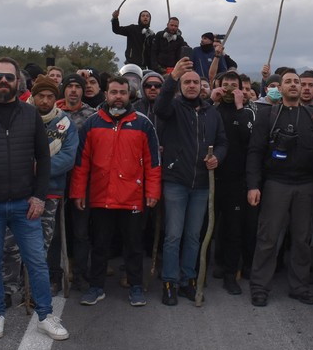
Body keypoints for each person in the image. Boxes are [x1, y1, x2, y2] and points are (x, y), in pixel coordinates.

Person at [0, 57, 68, 341]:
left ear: (18, 82)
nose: (3, 82)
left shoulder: (30, 115)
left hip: (24, 204)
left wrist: (39, 197)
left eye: (9, 77)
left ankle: (45, 315)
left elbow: (43, 159)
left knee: (37, 262)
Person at [71, 76, 160, 307]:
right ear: (106, 94)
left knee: (134, 245)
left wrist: (153, 191)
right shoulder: (92, 123)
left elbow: (153, 162)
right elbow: (82, 163)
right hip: (101, 197)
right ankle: (96, 287)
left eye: (122, 92)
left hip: (132, 197)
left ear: (129, 94)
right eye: (113, 92)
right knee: (100, 245)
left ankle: (136, 286)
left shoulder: (143, 123)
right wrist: (79, 192)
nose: (118, 97)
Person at [247, 70, 313, 307]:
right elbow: (254, 152)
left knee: (302, 239)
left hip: (307, 186)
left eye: (297, 82)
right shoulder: (267, 115)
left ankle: (299, 286)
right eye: (289, 82)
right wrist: (254, 185)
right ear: (279, 88)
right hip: (276, 184)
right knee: (268, 238)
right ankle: (260, 285)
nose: (294, 85)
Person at [154, 57, 227, 305]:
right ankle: (169, 281)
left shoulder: (211, 113)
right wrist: (172, 77)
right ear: (180, 85)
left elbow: (222, 142)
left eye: (196, 82)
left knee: (194, 236)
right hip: (176, 180)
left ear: (202, 86)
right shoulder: (172, 107)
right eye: (187, 82)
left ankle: (189, 279)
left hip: (202, 184)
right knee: (173, 235)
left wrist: (217, 156)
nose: (192, 86)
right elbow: (159, 108)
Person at [3, 76, 78, 301]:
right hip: (18, 190)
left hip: (50, 191)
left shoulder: (65, 124)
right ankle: (8, 288)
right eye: (41, 96)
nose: (45, 100)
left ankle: (37, 290)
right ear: (33, 97)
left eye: (50, 96)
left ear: (56, 98)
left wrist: (38, 167)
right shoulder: (18, 117)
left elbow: (67, 157)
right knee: (11, 243)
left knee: (40, 245)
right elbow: (9, 148)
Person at [211, 71, 256, 294]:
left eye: (234, 85)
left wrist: (239, 106)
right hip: (209, 179)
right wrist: (211, 100)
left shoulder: (247, 112)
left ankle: (230, 273)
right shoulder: (211, 110)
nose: (229, 89)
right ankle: (210, 266)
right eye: (225, 84)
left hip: (236, 180)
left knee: (233, 229)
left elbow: (248, 137)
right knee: (206, 227)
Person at [55, 73, 97, 291]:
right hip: (56, 177)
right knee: (55, 229)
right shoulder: (53, 113)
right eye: (69, 86)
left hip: (82, 178)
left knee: (81, 230)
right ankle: (55, 274)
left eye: (77, 87)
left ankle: (80, 273)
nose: (73, 90)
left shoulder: (91, 115)